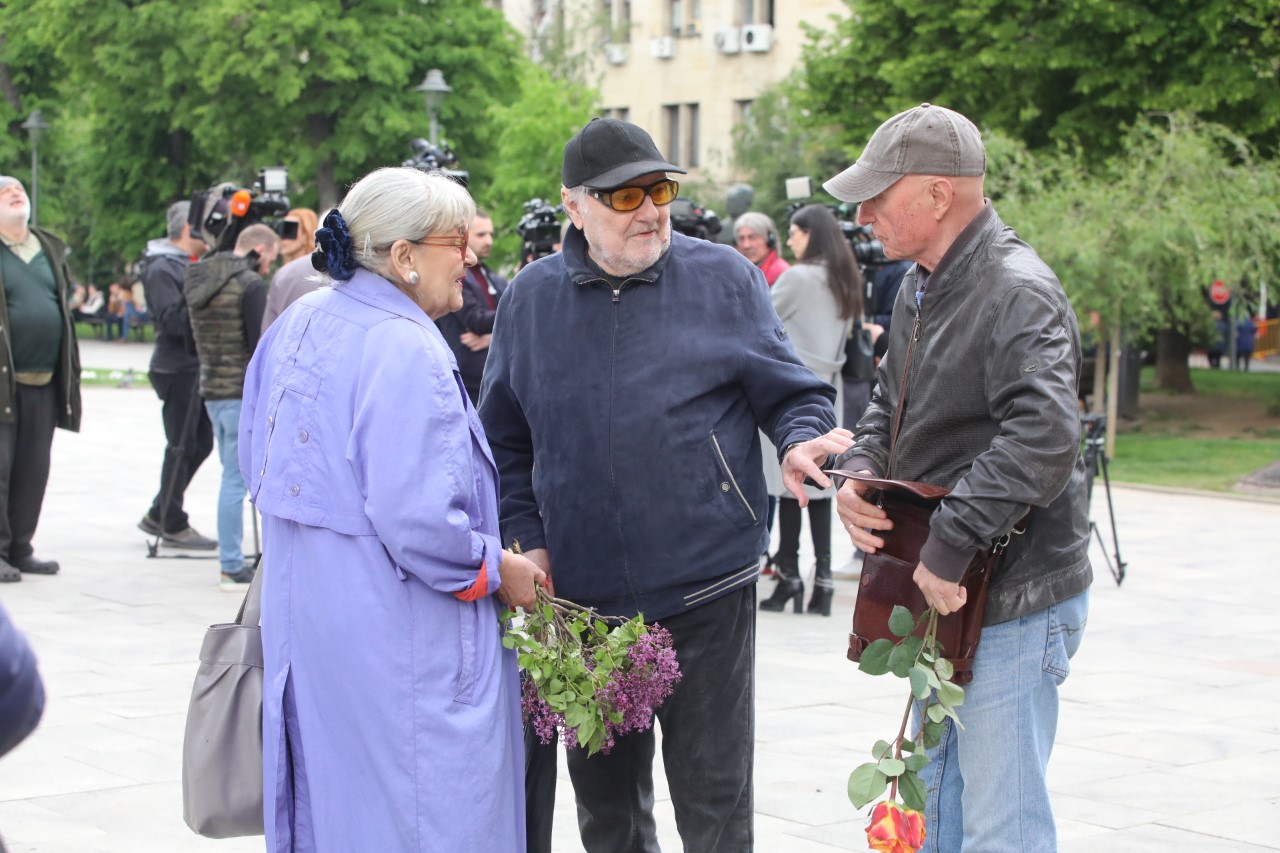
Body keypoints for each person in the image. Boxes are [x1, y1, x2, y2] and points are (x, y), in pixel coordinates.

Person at [479, 117, 851, 852]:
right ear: (574, 205)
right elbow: (504, 441)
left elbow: (789, 391)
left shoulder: (724, 278)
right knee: (609, 819)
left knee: (715, 811)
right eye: (626, 196)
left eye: (662, 188)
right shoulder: (530, 298)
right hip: (582, 609)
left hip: (705, 590)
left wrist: (802, 435)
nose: (652, 209)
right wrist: (530, 542)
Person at [240, 167, 544, 852]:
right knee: (423, 817)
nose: (469, 258)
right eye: (456, 242)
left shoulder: (300, 320)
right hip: (403, 642)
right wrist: (496, 566)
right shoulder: (404, 344)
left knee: (340, 813)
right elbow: (424, 526)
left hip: (315, 632)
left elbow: (252, 457)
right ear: (404, 257)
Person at [825, 103, 1091, 853]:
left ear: (940, 195)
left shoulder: (1016, 287)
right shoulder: (919, 283)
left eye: (880, 193)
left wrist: (949, 541)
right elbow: (887, 400)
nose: (864, 210)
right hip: (951, 593)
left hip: (1010, 595)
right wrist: (863, 470)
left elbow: (1046, 434)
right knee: (934, 814)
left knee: (1001, 831)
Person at [759, 205, 862, 617]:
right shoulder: (846, 277)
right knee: (818, 484)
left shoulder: (799, 278)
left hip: (793, 391)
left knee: (788, 483)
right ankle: (821, 580)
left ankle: (790, 578)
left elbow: (759, 317)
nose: (792, 240)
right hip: (829, 389)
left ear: (809, 234)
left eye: (794, 233)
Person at [185, 223, 279, 589]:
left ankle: (230, 558)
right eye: (269, 257)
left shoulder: (199, 276)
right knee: (236, 478)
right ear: (258, 248)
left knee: (229, 474)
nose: (269, 266)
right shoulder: (248, 284)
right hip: (240, 389)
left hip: (211, 386)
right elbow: (259, 343)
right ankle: (231, 563)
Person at [0, 175, 81, 582]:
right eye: (5, 191)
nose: (16, 194)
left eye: (20, 190)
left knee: (33, 468)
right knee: (0, 466)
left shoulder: (47, 247)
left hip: (46, 380)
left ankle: (20, 548)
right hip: (3, 385)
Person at [136, 201, 216, 549]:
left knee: (199, 442)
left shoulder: (184, 263)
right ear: (188, 229)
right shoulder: (161, 267)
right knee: (182, 445)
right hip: (176, 366)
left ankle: (160, 511)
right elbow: (172, 321)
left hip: (192, 365)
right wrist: (202, 287)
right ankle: (170, 520)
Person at [436, 209, 508, 405]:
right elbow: (475, 320)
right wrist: (515, 313)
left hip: (498, 376)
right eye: (481, 234)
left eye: (491, 234)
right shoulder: (456, 275)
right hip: (466, 384)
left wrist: (492, 338)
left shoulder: (492, 276)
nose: (489, 241)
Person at [262, 208, 324, 329]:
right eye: (282, 230)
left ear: (307, 233)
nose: (284, 238)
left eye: (290, 230)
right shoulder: (283, 273)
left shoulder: (320, 271)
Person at [734, 211, 790, 285]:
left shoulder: (782, 274)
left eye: (752, 238)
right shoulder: (738, 273)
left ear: (770, 240)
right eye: (741, 238)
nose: (746, 245)